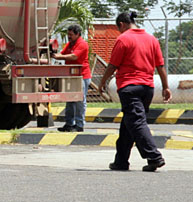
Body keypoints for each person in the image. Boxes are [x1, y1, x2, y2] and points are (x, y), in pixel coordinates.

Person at [99, 11, 172, 172]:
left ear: (121, 25)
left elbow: (113, 65)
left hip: (129, 87)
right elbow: (160, 66)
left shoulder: (123, 39)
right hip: (147, 88)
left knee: (137, 122)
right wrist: (166, 87)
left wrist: (102, 82)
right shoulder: (152, 39)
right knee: (128, 124)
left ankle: (154, 156)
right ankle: (120, 162)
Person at [53, 24, 91, 132]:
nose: (69, 36)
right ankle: (69, 124)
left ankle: (79, 125)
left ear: (77, 34)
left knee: (80, 100)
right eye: (68, 34)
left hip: (82, 76)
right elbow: (62, 53)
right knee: (70, 100)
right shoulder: (70, 44)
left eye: (71, 34)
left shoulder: (82, 44)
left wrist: (59, 57)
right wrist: (55, 54)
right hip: (71, 76)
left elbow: (74, 56)